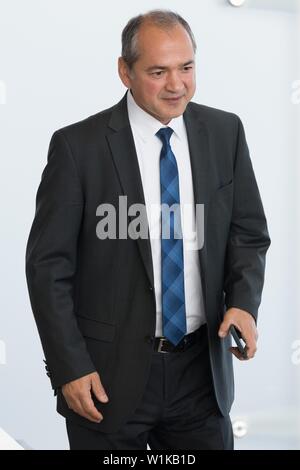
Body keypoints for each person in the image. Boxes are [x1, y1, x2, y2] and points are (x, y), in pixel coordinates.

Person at [25, 9, 271, 450]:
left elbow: (247, 233)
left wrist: (243, 303)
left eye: (186, 68)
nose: (176, 85)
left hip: (201, 376)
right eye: (158, 72)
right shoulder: (77, 148)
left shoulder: (225, 131)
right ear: (125, 71)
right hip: (106, 380)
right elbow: (48, 268)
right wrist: (69, 367)